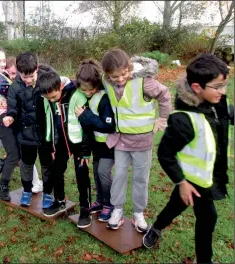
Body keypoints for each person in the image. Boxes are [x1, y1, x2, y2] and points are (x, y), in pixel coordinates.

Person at [143, 53, 233, 264]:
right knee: (203, 216)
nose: (223, 91)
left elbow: (227, 116)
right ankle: (158, 229)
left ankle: (159, 228)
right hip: (191, 181)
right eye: (218, 86)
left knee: (187, 211)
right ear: (196, 87)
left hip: (207, 179)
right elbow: (165, 154)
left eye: (225, 85)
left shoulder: (216, 104)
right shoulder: (183, 121)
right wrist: (181, 182)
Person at [100, 49, 171, 232]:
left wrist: (163, 118)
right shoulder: (106, 81)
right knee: (119, 176)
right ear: (108, 75)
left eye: (124, 73)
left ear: (129, 67)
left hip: (142, 142)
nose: (120, 79)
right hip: (120, 140)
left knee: (140, 178)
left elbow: (164, 95)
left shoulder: (145, 82)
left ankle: (138, 213)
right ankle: (117, 210)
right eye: (115, 76)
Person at [0, 48, 43, 198]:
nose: (2, 64)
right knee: (14, 154)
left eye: (4, 60)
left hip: (10, 120)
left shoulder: (1, 75)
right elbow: (14, 93)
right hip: (3, 119)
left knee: (14, 151)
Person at [39, 69, 94, 228]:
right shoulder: (47, 98)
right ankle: (60, 201)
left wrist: (85, 152)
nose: (52, 100)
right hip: (62, 143)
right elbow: (51, 121)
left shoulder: (76, 95)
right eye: (48, 98)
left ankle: (85, 209)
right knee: (56, 170)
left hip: (78, 144)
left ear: (61, 86)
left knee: (82, 176)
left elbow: (87, 126)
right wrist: (52, 143)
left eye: (54, 97)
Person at [3, 52, 53, 206]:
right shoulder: (15, 87)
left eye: (31, 76)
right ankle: (26, 190)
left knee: (46, 164)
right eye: (25, 77)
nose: (28, 80)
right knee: (27, 163)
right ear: (18, 71)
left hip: (45, 133)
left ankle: (48, 192)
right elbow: (13, 108)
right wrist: (10, 116)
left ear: (37, 68)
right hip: (25, 133)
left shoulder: (47, 81)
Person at [74, 59, 116, 222]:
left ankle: (110, 204)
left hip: (109, 144)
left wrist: (87, 116)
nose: (87, 92)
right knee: (98, 173)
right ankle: (100, 201)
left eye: (90, 89)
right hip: (96, 145)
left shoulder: (104, 98)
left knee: (103, 173)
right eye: (83, 89)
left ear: (97, 84)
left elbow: (108, 126)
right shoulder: (84, 97)